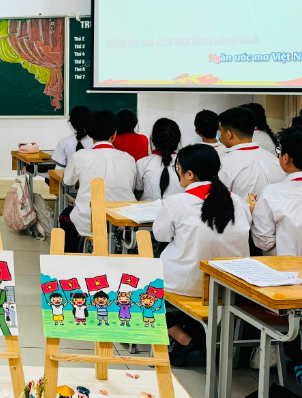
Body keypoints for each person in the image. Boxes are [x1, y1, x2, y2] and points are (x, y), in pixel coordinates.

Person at [152, 144, 249, 366]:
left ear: (189, 174)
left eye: (178, 168)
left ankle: (184, 339)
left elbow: (161, 235)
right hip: (230, 286)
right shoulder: (237, 201)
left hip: (187, 284)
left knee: (139, 289)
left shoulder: (177, 202)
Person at [61, 110, 136, 252]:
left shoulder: (80, 156)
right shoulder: (128, 158)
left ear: (88, 134)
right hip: (124, 221)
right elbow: (130, 187)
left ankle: (70, 258)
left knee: (66, 215)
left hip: (89, 220)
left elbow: (68, 181)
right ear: (114, 135)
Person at [251, 126, 302, 256]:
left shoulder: (271, 194)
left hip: (284, 267)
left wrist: (255, 214)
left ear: (286, 158)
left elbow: (264, 242)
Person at [217, 106, 284, 202]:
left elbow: (219, 201)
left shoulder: (225, 164)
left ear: (229, 134)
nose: (220, 136)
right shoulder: (275, 160)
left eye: (221, 132)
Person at [136, 118, 183, 201]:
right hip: (177, 209)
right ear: (178, 140)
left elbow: (138, 193)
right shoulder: (186, 163)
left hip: (146, 208)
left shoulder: (142, 163)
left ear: (152, 138)